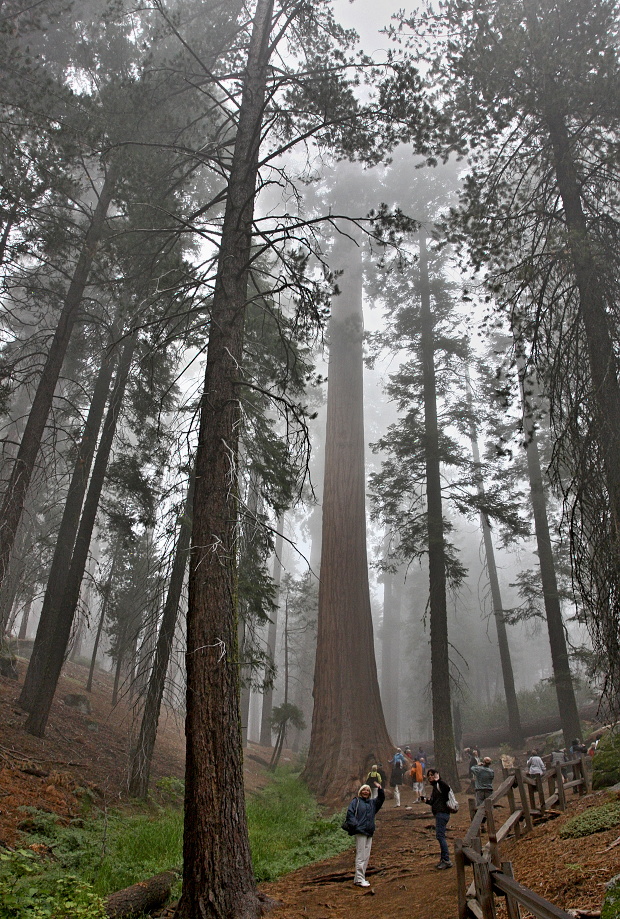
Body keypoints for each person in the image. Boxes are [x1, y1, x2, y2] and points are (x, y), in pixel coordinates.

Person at [345, 783, 385, 887]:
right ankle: (360, 880)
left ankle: (358, 878)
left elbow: (380, 800)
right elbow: (350, 813)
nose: (365, 792)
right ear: (360, 791)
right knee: (360, 855)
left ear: (370, 793)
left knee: (366, 856)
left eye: (367, 790)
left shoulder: (372, 803)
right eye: (364, 790)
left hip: (369, 831)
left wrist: (380, 789)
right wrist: (356, 825)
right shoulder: (356, 801)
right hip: (360, 831)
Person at [421, 768, 454, 869]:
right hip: (439, 814)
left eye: (432, 775)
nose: (430, 777)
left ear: (437, 775)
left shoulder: (440, 785)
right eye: (429, 775)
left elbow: (447, 788)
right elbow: (433, 801)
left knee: (440, 836)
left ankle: (446, 860)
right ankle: (443, 858)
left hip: (442, 814)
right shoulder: (435, 788)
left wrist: (438, 779)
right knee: (440, 836)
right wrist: (426, 800)